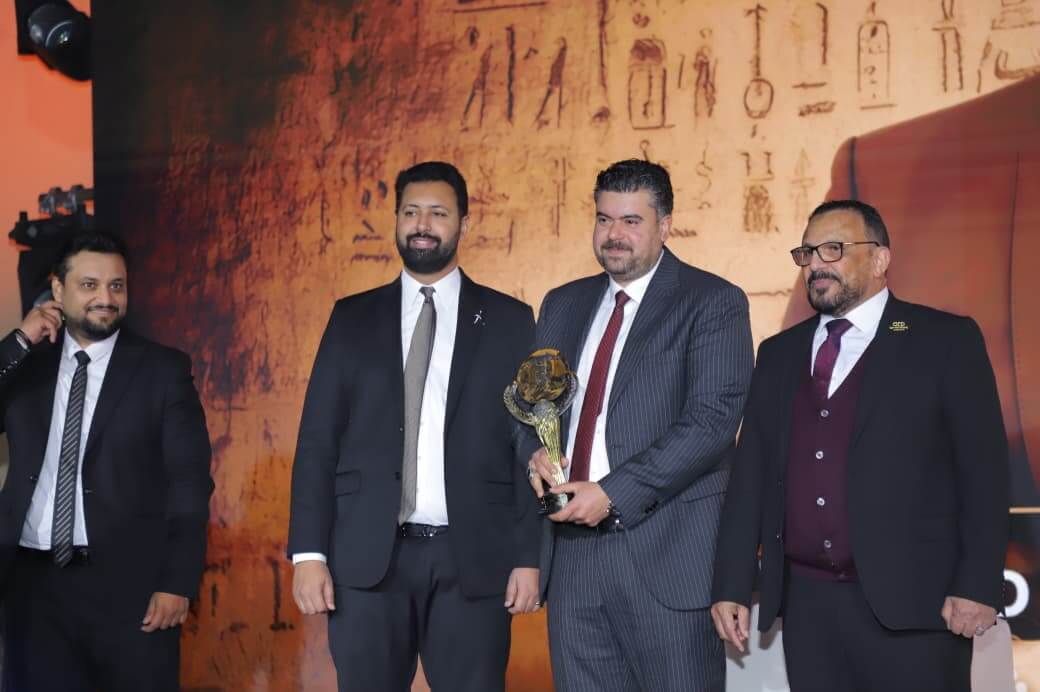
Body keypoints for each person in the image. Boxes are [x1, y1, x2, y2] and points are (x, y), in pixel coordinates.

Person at [711, 200, 1009, 692]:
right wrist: (732, 584)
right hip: (809, 613)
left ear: (880, 259)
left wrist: (977, 584)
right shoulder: (778, 353)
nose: (816, 264)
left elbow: (985, 474)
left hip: (918, 608)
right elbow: (751, 476)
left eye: (833, 249)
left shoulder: (945, 340)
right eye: (808, 253)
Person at [288, 161, 541, 692]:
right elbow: (317, 442)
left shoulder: (510, 321)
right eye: (411, 212)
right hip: (367, 560)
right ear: (397, 220)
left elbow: (528, 444)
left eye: (438, 213)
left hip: (474, 561)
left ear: (464, 224)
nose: (422, 225)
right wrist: (309, 554)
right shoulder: (351, 318)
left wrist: (528, 557)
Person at [525, 158, 754, 691]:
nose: (614, 235)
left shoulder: (713, 301)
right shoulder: (562, 304)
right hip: (572, 558)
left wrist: (613, 493)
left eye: (632, 221)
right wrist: (534, 453)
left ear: (665, 225)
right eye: (604, 219)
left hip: (667, 554)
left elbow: (712, 421)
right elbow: (533, 406)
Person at [0, 230, 214, 691]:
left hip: (130, 589)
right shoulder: (27, 366)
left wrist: (177, 581)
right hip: (31, 590)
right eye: (90, 285)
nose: (106, 298)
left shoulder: (163, 370)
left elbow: (190, 482)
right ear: (58, 290)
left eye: (117, 285)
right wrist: (17, 341)